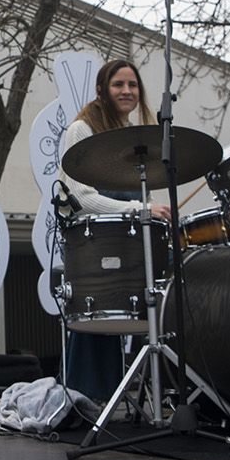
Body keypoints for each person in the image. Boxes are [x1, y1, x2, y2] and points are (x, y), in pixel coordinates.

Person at [58, 59, 173, 402]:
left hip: (130, 243)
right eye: (118, 85)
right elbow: (80, 197)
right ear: (101, 90)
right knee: (96, 323)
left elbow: (142, 197)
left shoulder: (133, 139)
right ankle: (83, 401)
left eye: (133, 85)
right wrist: (140, 209)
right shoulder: (81, 130)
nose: (127, 91)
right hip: (95, 245)